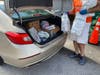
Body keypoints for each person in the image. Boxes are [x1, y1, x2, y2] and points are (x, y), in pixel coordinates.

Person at [68, 0, 98, 65]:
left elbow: (99, 7)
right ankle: (76, 52)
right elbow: (74, 9)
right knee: (74, 38)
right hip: (77, 20)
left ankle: (82, 56)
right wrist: (68, 12)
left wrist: (87, 11)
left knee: (81, 40)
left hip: (86, 22)